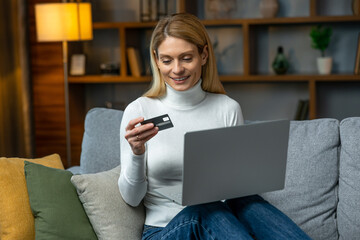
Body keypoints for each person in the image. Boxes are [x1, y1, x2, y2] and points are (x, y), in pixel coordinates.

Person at [118, 13, 311, 240]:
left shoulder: (227, 109)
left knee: (247, 202)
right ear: (156, 59)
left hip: (220, 225)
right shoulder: (140, 110)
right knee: (203, 210)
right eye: (167, 60)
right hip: (163, 231)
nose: (177, 69)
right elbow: (131, 198)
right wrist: (137, 153)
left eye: (186, 58)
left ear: (204, 55)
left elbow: (234, 188)